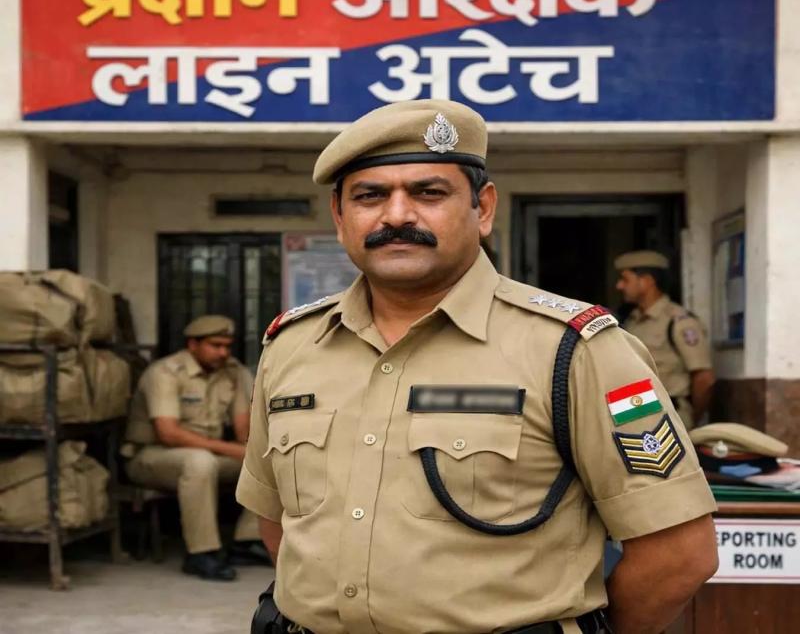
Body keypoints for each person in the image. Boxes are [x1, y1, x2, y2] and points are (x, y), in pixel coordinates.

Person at [237, 100, 719, 634]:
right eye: (369, 196)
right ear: (339, 215)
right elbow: (278, 518)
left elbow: (679, 554)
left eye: (428, 193)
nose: (396, 216)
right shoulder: (292, 346)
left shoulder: (577, 350)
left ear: (483, 208)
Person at [123, 315, 267, 581]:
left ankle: (248, 541)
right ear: (192, 345)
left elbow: (243, 430)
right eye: (215, 345)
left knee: (267, 460)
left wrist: (251, 450)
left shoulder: (233, 371)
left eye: (227, 346)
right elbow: (168, 434)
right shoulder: (166, 372)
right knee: (199, 462)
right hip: (152, 456)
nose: (223, 353)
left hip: (209, 455)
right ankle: (201, 553)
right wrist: (231, 450)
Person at [614, 251, 716, 430]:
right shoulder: (632, 321)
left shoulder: (678, 321)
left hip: (667, 415)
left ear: (646, 281)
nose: (619, 286)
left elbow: (704, 379)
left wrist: (692, 419)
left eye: (625, 279)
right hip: (632, 411)